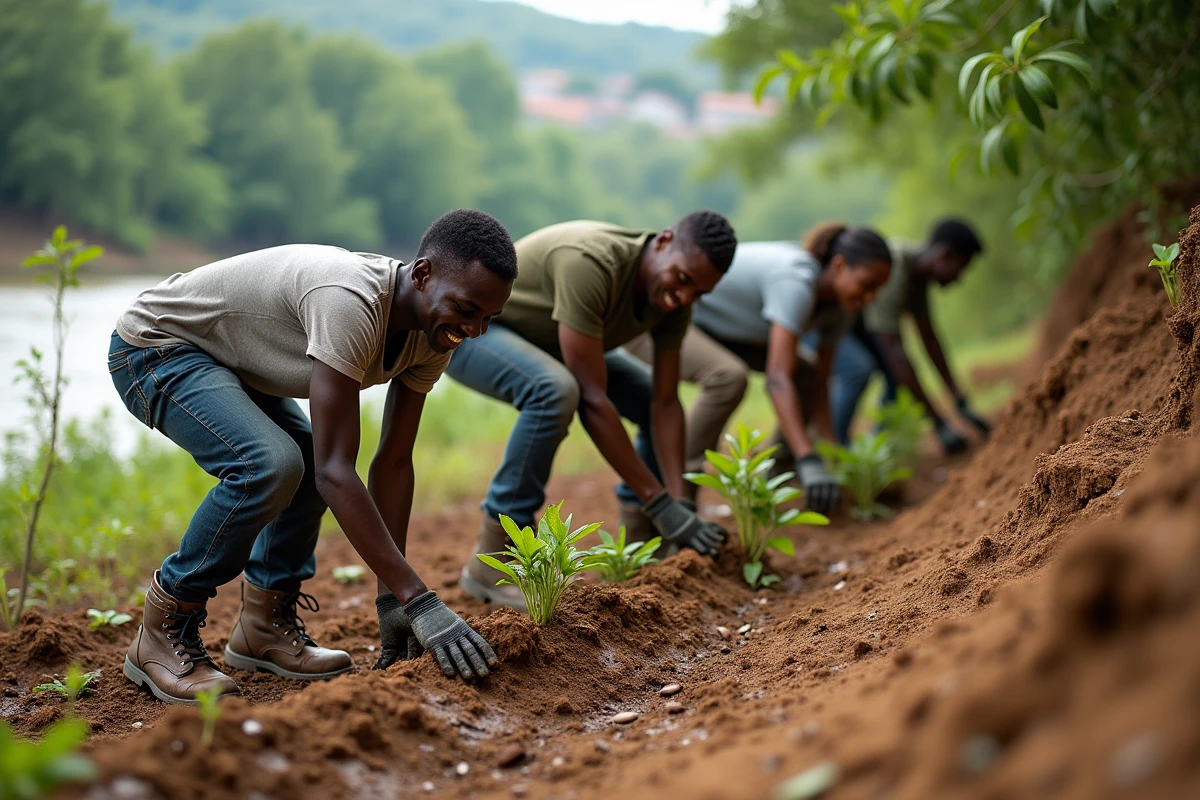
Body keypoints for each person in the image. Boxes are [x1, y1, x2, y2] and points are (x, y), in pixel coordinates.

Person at [108, 209, 515, 702]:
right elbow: (336, 471)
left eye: (488, 319)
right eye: (467, 309)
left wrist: (392, 598)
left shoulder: (435, 334)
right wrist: (419, 599)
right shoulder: (351, 302)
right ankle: (163, 627)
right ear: (424, 274)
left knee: (299, 457)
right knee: (271, 464)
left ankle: (262, 627)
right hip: (158, 346)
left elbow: (392, 463)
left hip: (230, 360)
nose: (474, 331)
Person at [446, 212, 738, 611]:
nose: (685, 297)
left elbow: (665, 403)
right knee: (554, 391)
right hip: (475, 330)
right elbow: (592, 400)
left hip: (551, 346)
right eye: (683, 280)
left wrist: (680, 501)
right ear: (664, 241)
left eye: (699, 293)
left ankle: (641, 548)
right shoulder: (590, 261)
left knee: (644, 393)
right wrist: (659, 501)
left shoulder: (674, 301)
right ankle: (495, 558)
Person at [624, 223, 892, 515]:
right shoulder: (796, 279)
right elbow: (778, 379)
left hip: (725, 331)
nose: (871, 299)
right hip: (663, 315)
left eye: (877, 290)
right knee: (728, 377)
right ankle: (680, 497)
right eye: (867, 285)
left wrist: (830, 453)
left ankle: (777, 476)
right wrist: (809, 458)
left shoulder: (839, 308)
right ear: (840, 266)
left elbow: (819, 382)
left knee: (808, 372)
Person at [828, 218, 990, 451]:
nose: (958, 279)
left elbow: (930, 340)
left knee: (896, 380)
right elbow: (896, 354)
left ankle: (873, 453)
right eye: (961, 268)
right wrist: (939, 424)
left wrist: (959, 400)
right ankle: (834, 448)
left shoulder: (918, 279)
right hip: (835, 321)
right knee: (858, 370)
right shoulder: (896, 268)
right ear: (944, 255)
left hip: (861, 325)